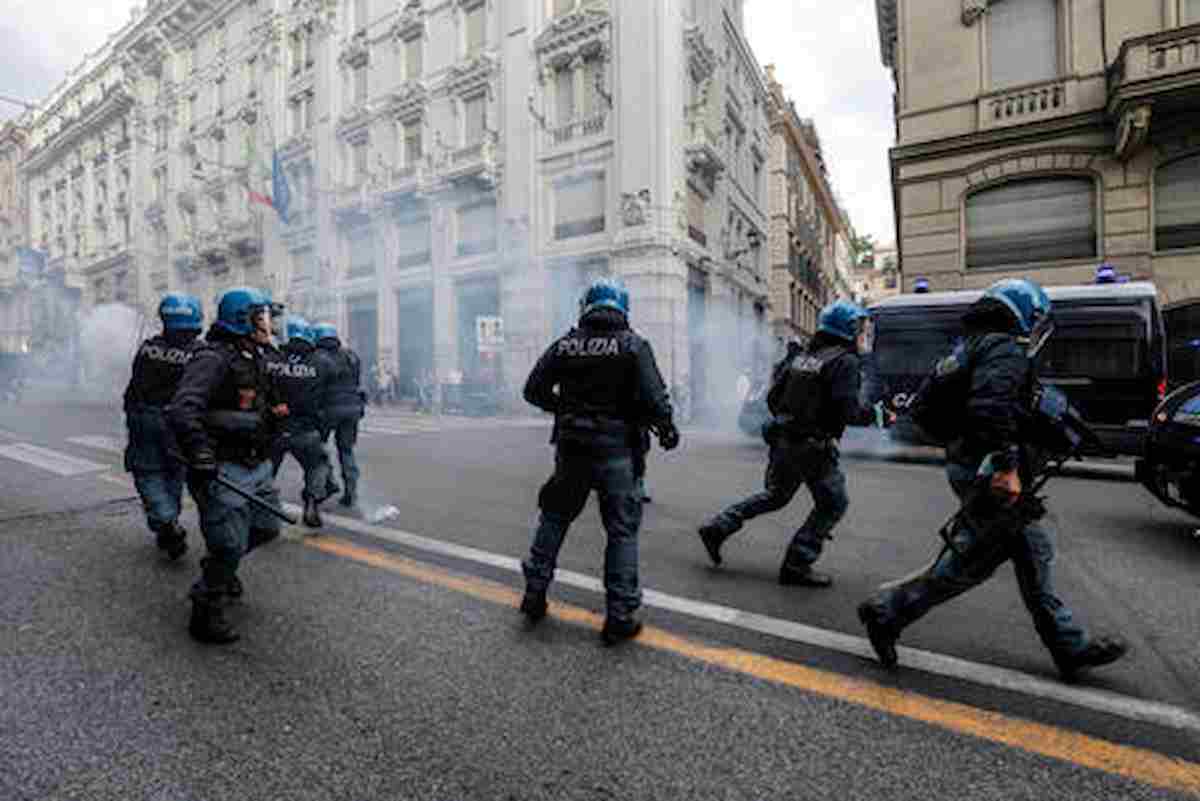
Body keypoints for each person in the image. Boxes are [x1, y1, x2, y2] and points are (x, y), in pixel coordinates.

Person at [857, 278, 1129, 681]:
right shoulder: (1005, 348)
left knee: (1023, 553)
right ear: (1023, 315)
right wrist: (1005, 466)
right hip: (987, 468)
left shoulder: (971, 346)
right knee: (978, 561)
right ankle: (888, 611)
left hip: (970, 461)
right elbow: (990, 407)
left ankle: (1068, 646)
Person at [520, 277, 680, 644]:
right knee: (621, 532)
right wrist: (666, 427)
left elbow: (532, 390)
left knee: (555, 518)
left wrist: (565, 408)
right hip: (619, 451)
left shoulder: (565, 345)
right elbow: (657, 400)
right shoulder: (634, 345)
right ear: (622, 308)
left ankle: (534, 593)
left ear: (586, 307)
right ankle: (619, 615)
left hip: (572, 450)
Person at [696, 300, 877, 587]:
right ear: (846, 329)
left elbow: (772, 398)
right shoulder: (845, 361)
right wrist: (876, 414)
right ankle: (797, 563)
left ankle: (719, 526)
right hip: (814, 447)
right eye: (859, 328)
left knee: (775, 496)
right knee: (833, 503)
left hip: (784, 440)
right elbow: (849, 412)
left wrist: (794, 415)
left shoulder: (803, 356)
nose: (863, 334)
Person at [168, 287, 286, 644]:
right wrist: (201, 453)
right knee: (229, 545)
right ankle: (206, 606)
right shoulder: (213, 357)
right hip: (223, 466)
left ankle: (219, 565)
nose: (267, 323)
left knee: (266, 527)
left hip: (256, 463)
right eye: (260, 316)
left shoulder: (255, 354)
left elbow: (261, 401)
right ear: (241, 319)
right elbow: (183, 408)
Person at [123, 292, 204, 561]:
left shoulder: (148, 348)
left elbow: (134, 387)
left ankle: (166, 521)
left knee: (148, 473)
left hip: (145, 418)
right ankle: (168, 521)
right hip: (180, 423)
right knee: (174, 473)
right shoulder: (201, 353)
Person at [269, 316, 334, 529]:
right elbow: (329, 397)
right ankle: (312, 505)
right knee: (317, 466)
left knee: (265, 473)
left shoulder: (271, 359)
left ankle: (261, 510)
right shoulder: (323, 362)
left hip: (275, 429)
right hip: (306, 429)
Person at [314, 322, 366, 508]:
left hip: (329, 409)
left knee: (318, 447)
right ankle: (351, 491)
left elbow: (316, 388)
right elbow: (358, 381)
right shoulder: (351, 356)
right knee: (346, 451)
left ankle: (327, 483)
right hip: (353, 408)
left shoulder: (318, 357)